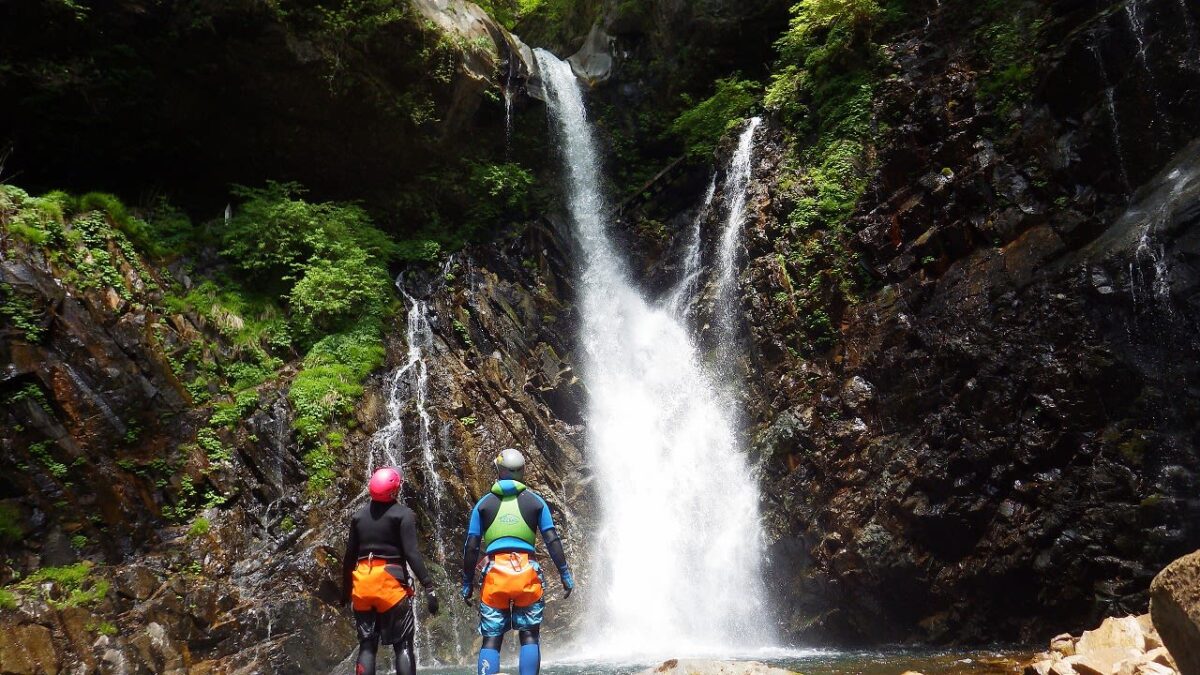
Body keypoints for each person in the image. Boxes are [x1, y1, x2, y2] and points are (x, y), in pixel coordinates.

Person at [460, 448, 575, 675]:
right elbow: (552, 539)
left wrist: (466, 582)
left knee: (491, 638)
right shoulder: (535, 502)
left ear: (498, 470)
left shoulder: (483, 505)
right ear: (522, 471)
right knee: (530, 635)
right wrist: (564, 573)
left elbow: (471, 546)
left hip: (495, 574)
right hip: (526, 572)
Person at [342, 467, 439, 675]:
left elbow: (349, 559)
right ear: (395, 489)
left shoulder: (358, 517)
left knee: (367, 645)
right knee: (402, 645)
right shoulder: (403, 515)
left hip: (362, 585)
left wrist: (344, 592)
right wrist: (428, 585)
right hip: (390, 586)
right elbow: (412, 553)